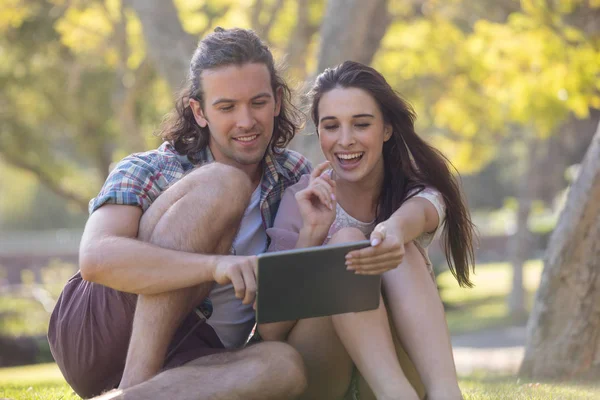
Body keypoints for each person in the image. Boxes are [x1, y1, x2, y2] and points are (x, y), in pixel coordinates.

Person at [47, 27, 312, 400]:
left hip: (195, 351)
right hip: (101, 332)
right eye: (226, 107)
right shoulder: (149, 168)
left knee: (285, 365)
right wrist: (212, 266)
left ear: (278, 100)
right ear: (199, 111)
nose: (246, 120)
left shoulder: (295, 177)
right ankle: (133, 383)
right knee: (226, 183)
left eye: (258, 102)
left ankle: (128, 399)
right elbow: (95, 258)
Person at [258, 61, 476, 400]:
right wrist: (313, 235)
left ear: (386, 129)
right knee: (345, 243)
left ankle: (446, 393)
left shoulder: (412, 192)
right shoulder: (301, 198)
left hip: (401, 372)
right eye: (331, 126)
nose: (345, 141)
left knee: (394, 246)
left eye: (361, 124)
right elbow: (270, 332)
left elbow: (419, 214)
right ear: (319, 131)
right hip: (323, 375)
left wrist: (392, 230)